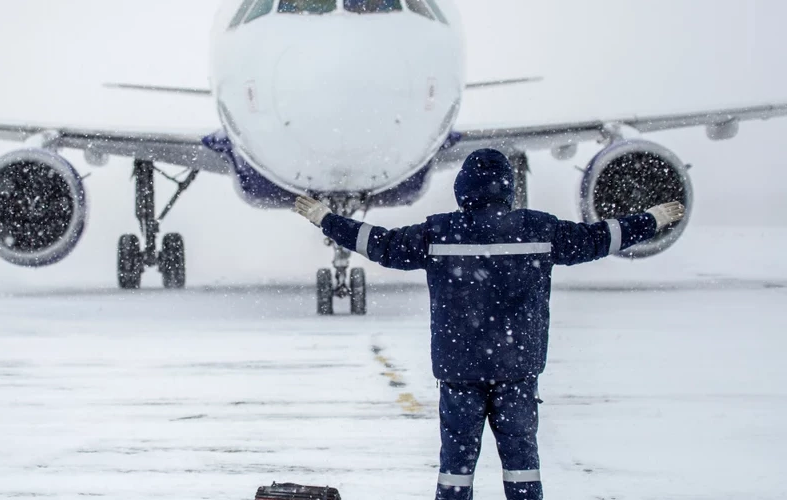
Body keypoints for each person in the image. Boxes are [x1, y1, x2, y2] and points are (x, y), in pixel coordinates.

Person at [292, 148, 685, 500]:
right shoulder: (538, 230)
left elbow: (380, 244)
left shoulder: (440, 232)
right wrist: (650, 219)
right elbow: (600, 237)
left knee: (456, 470)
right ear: (507, 188)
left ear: (463, 189)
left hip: (460, 372)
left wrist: (326, 219)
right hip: (516, 371)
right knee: (522, 465)